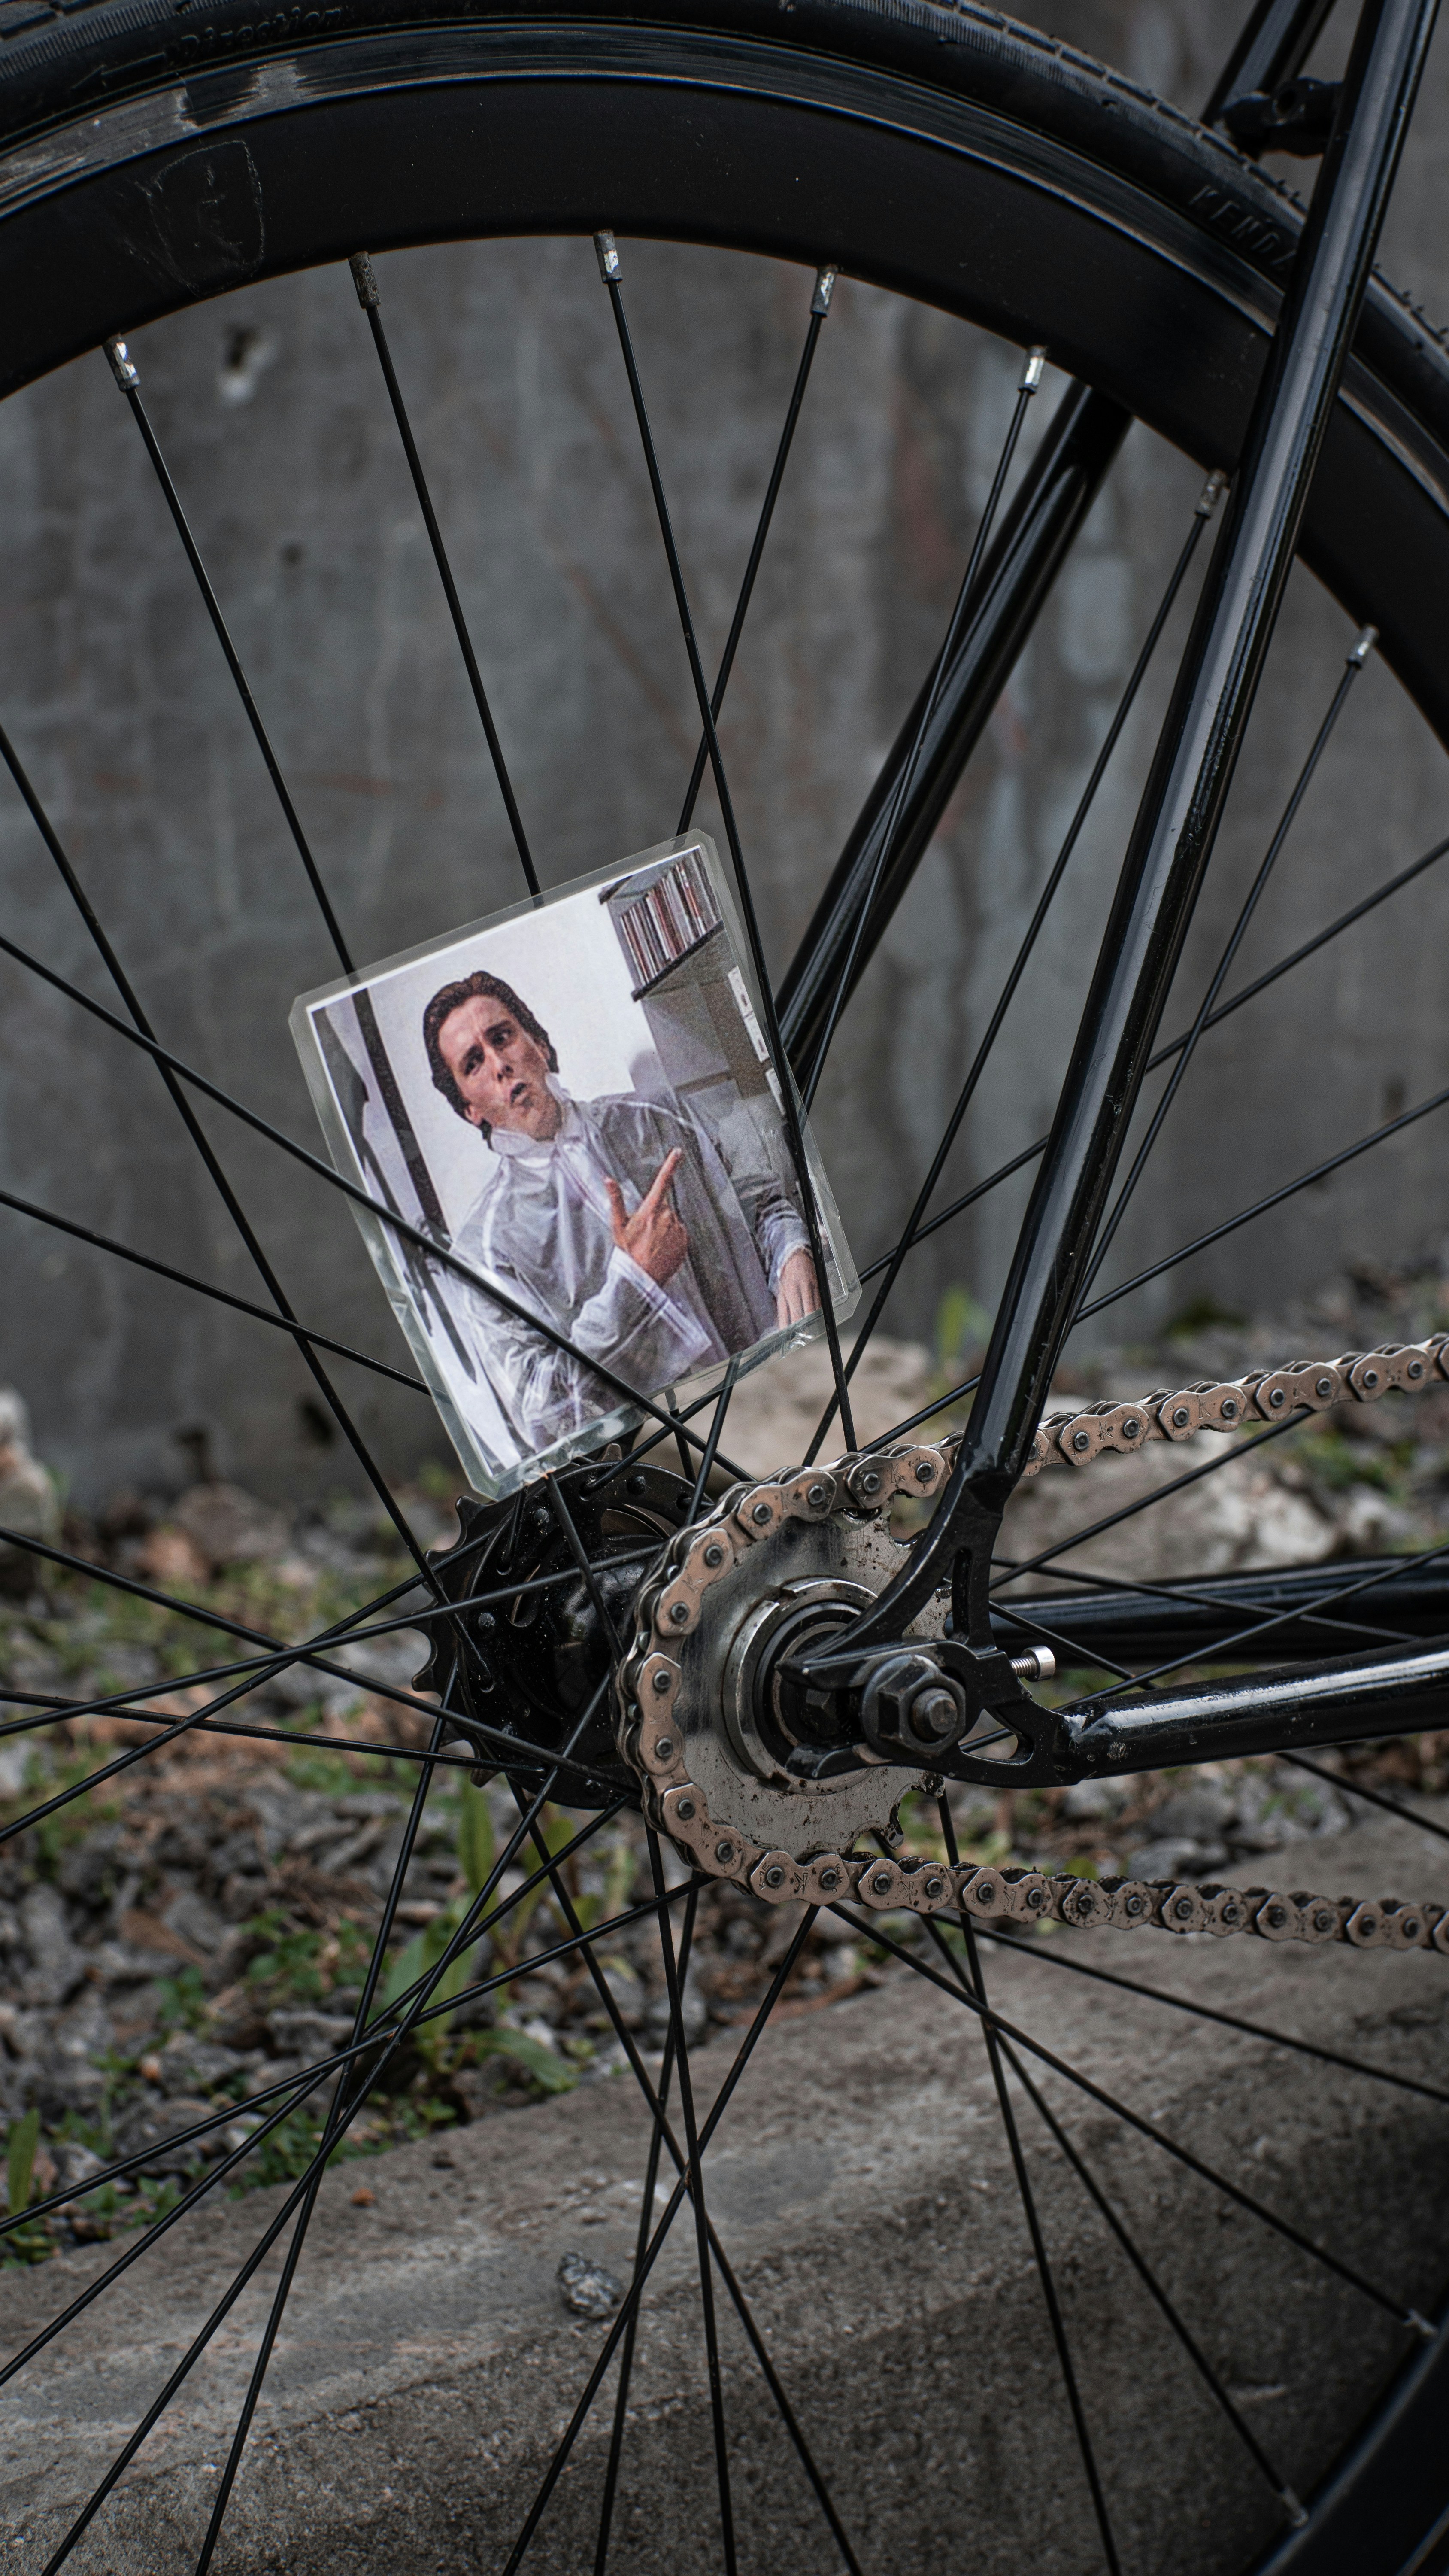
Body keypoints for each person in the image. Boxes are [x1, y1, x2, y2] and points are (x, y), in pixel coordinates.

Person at [421, 969, 820, 1455]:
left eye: (502, 1037)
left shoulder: (653, 1119)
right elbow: (543, 1415)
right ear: (471, 1110)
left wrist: (793, 1253)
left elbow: (761, 1204)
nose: (499, 1064)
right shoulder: (484, 1253)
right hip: (662, 1471)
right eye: (473, 1064)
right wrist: (633, 1283)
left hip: (778, 1403)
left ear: (539, 1045)